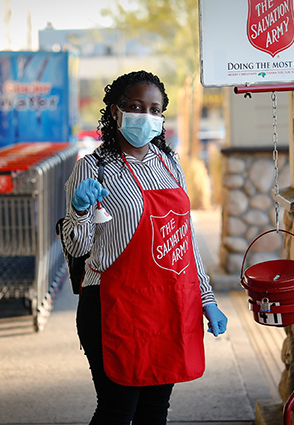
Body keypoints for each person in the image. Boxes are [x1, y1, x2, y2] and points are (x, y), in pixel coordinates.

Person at [61, 70, 228, 425]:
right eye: (136, 106)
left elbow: (185, 240)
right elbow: (78, 246)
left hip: (167, 305)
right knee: (117, 411)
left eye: (155, 109)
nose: (146, 116)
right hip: (113, 305)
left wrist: (207, 299)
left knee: (155, 411)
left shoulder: (170, 164)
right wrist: (79, 210)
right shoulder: (94, 169)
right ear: (116, 110)